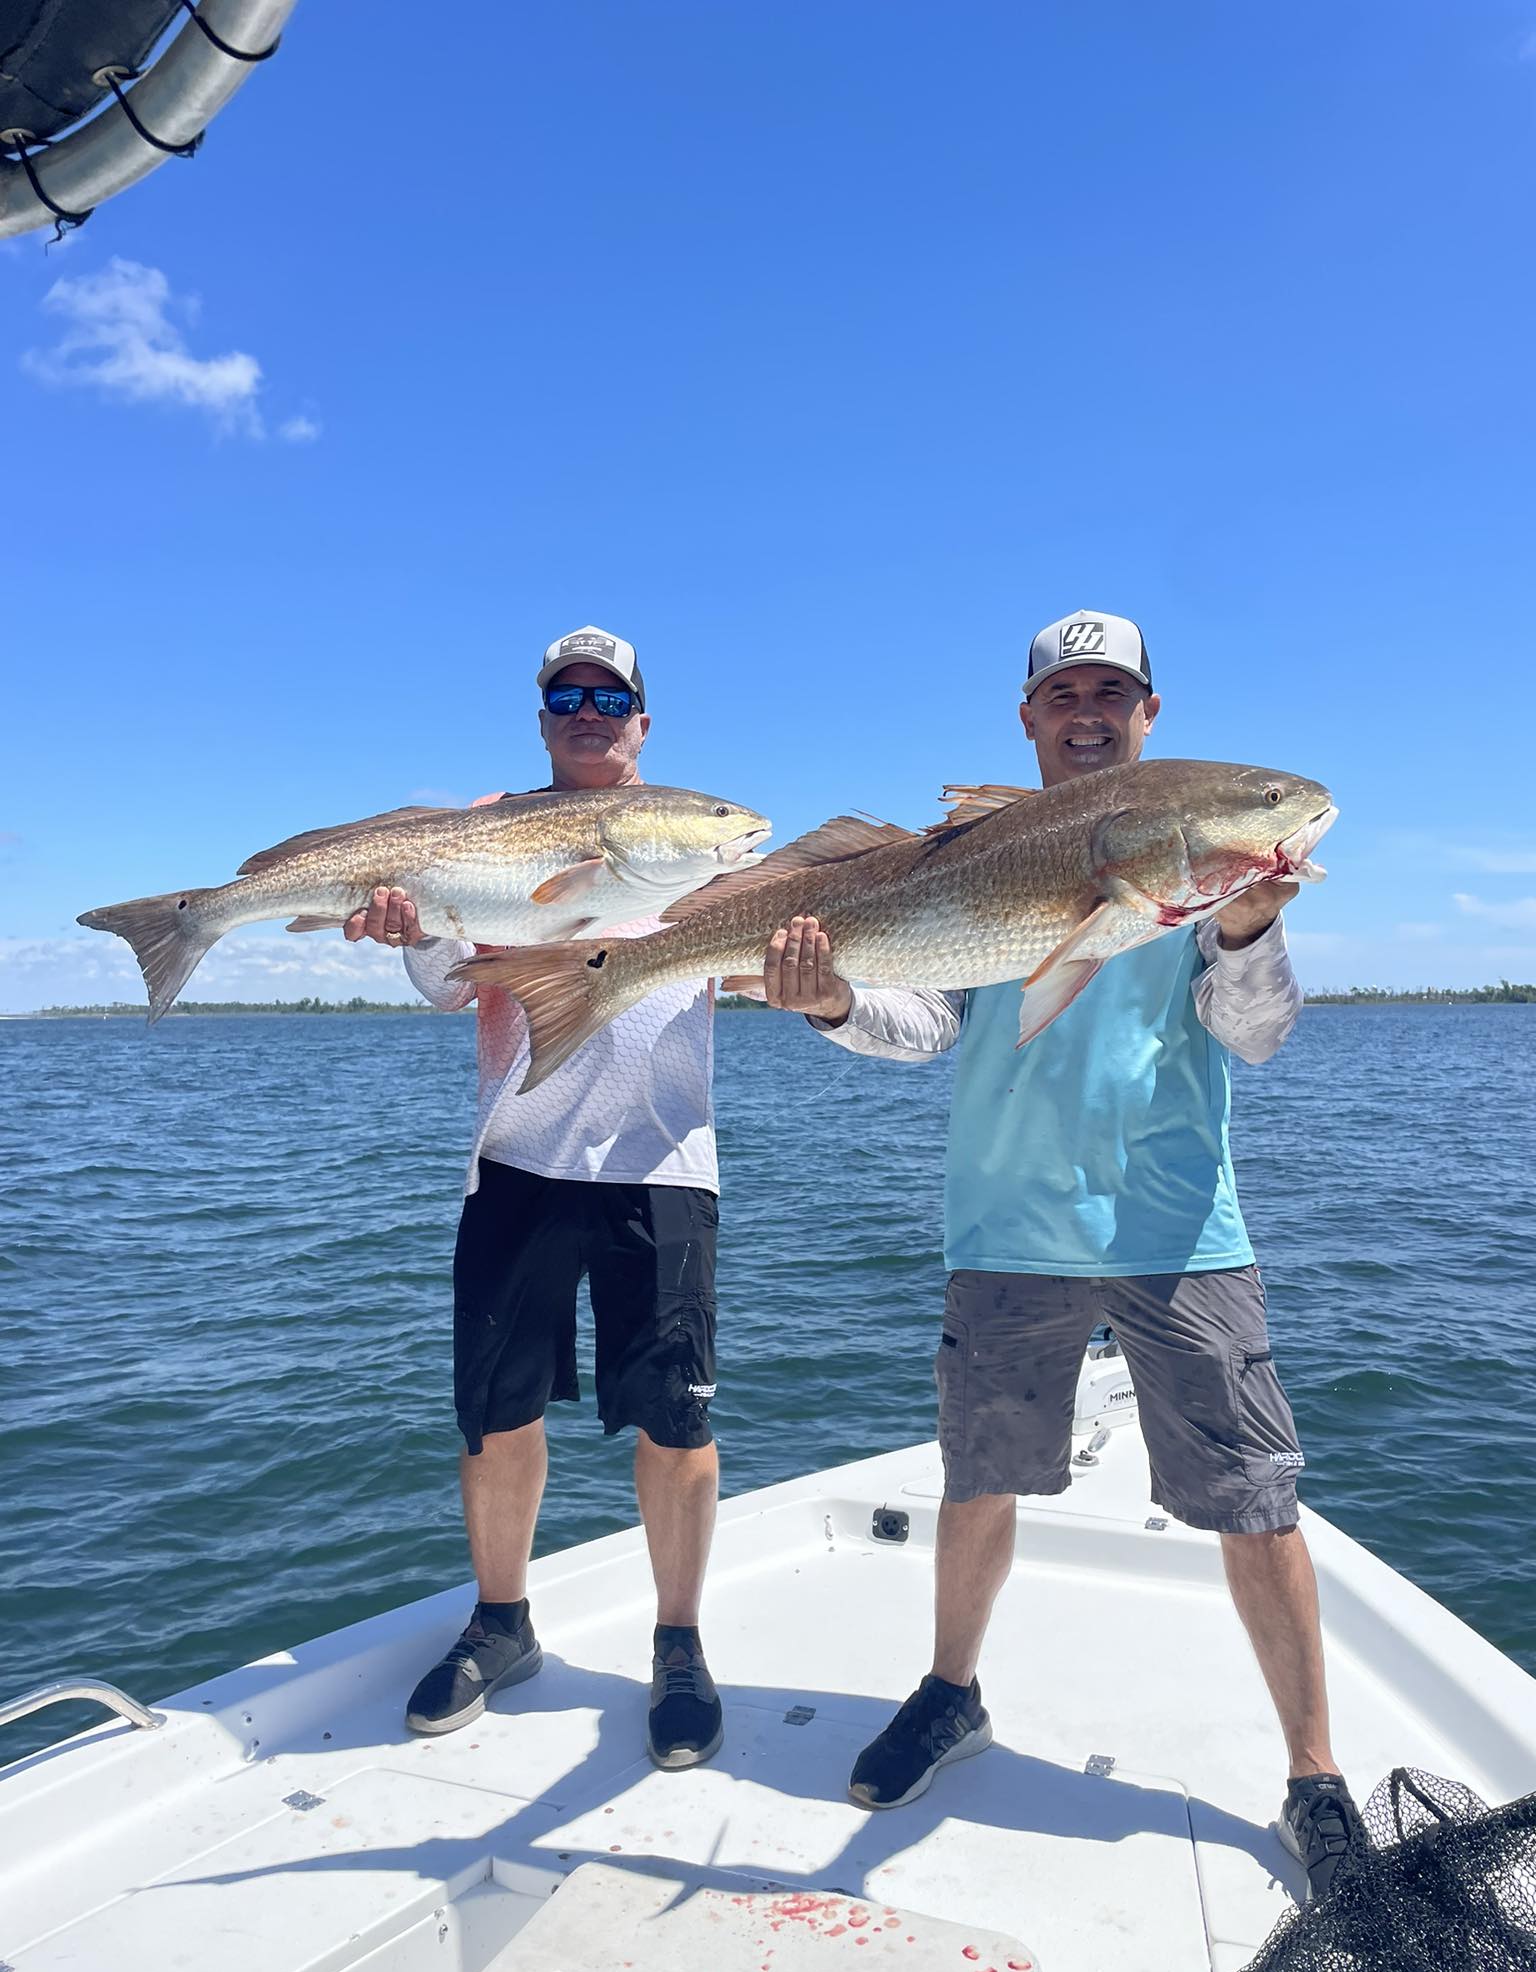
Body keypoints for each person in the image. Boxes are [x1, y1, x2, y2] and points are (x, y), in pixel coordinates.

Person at [761, 609, 1363, 1901]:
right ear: (1028, 718)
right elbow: (920, 1026)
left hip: (1181, 1230)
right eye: (1064, 693)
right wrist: (826, 999)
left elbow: (1254, 1036)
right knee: (979, 1479)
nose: (1089, 710)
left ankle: (1315, 1776)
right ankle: (951, 1693)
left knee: (1255, 1501)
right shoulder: (975, 857)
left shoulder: (1200, 881)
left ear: (1151, 714)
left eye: (1115, 693)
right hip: (1007, 1226)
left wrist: (1253, 929)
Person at [346, 626, 723, 1768]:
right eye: (567, 691)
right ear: (543, 715)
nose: (589, 707)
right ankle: (501, 1623)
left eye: (613, 693)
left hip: (661, 1165)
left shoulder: (705, 853)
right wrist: (416, 933)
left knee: (677, 1418)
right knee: (498, 1412)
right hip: (516, 1156)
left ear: (644, 723)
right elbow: (439, 985)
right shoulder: (483, 829)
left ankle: (680, 1642)